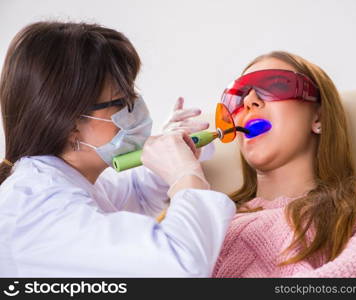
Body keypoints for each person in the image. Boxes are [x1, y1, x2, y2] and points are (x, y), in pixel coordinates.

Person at [0, 21, 235, 277]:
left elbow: (134, 192)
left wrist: (172, 153)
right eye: (121, 101)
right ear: (70, 123)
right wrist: (186, 176)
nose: (136, 107)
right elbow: (179, 267)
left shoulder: (67, 179)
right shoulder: (38, 209)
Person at [212, 51, 356, 277]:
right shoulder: (209, 214)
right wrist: (185, 184)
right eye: (237, 98)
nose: (249, 102)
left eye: (275, 85)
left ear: (318, 118)